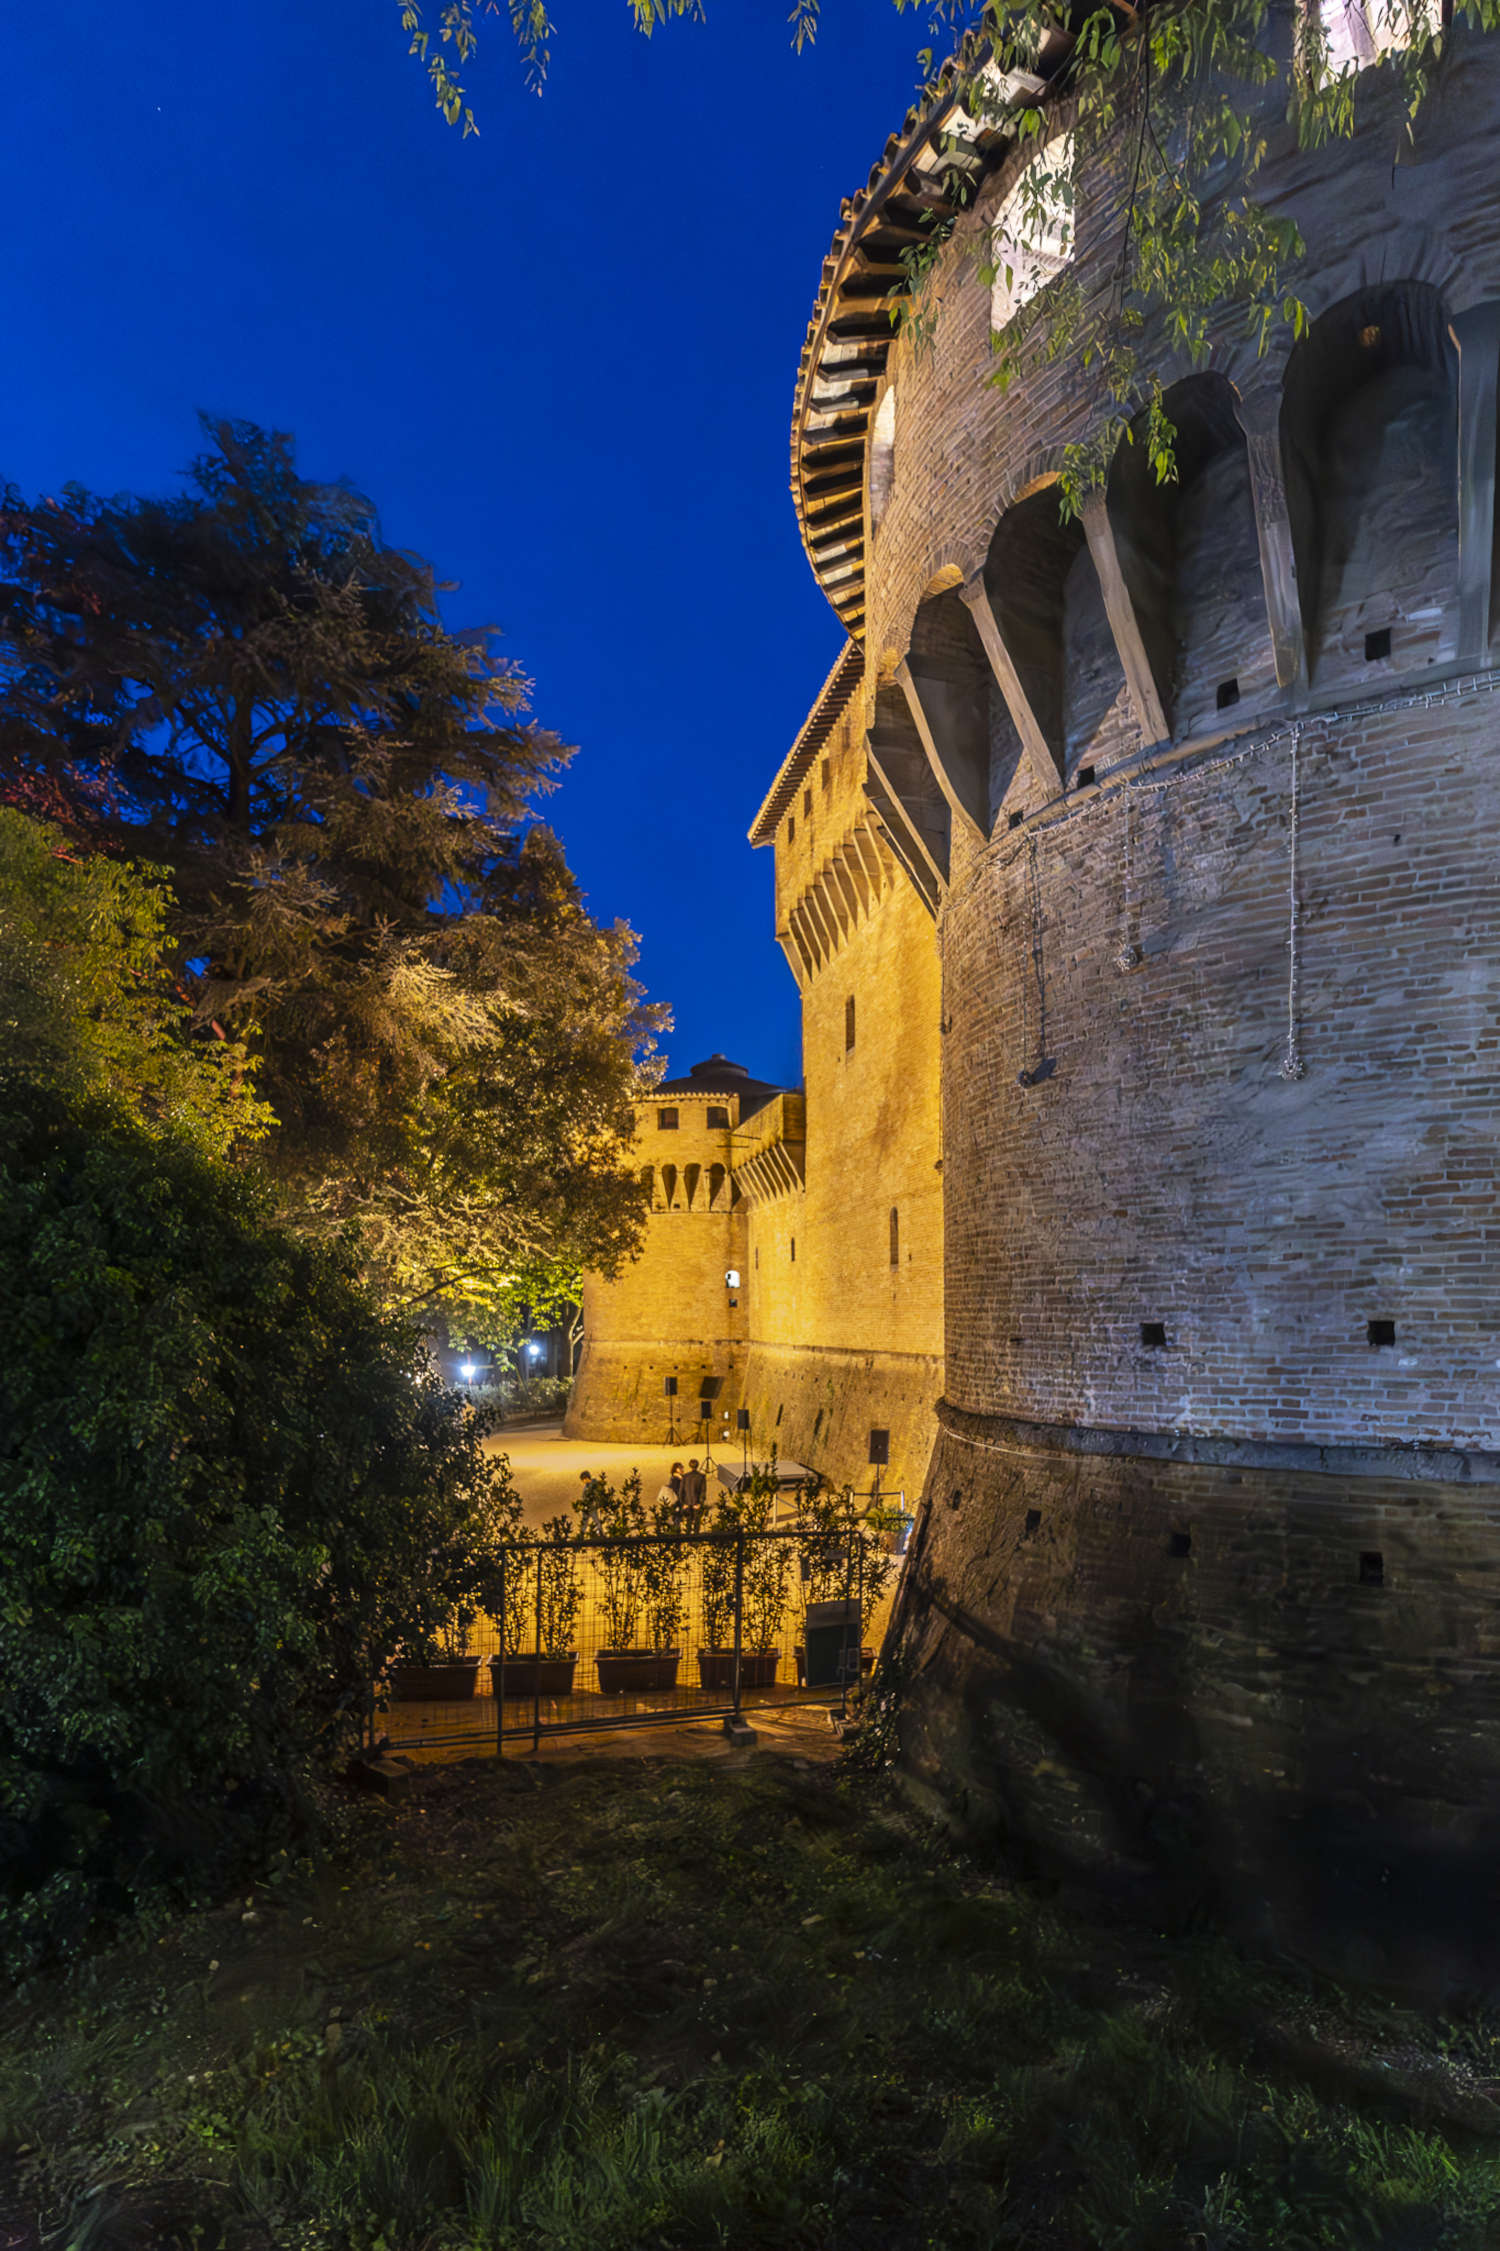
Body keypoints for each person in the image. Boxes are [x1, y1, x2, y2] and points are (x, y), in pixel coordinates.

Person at [680, 1457, 707, 1533]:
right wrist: (700, 1503)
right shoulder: (701, 1477)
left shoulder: (685, 1476)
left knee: (688, 1522)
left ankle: (688, 1538)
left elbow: (681, 1491)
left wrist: (683, 1503)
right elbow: (703, 1491)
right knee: (697, 1522)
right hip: (696, 1502)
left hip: (687, 1502)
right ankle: (696, 1539)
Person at [577, 1470, 605, 1540]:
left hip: (592, 1507)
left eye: (583, 1480)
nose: (583, 1482)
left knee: (596, 1521)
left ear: (586, 1478)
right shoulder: (586, 1486)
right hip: (586, 1508)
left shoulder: (593, 1485)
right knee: (585, 1522)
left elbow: (598, 1496)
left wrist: (600, 1505)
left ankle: (600, 1534)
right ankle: (581, 1536)